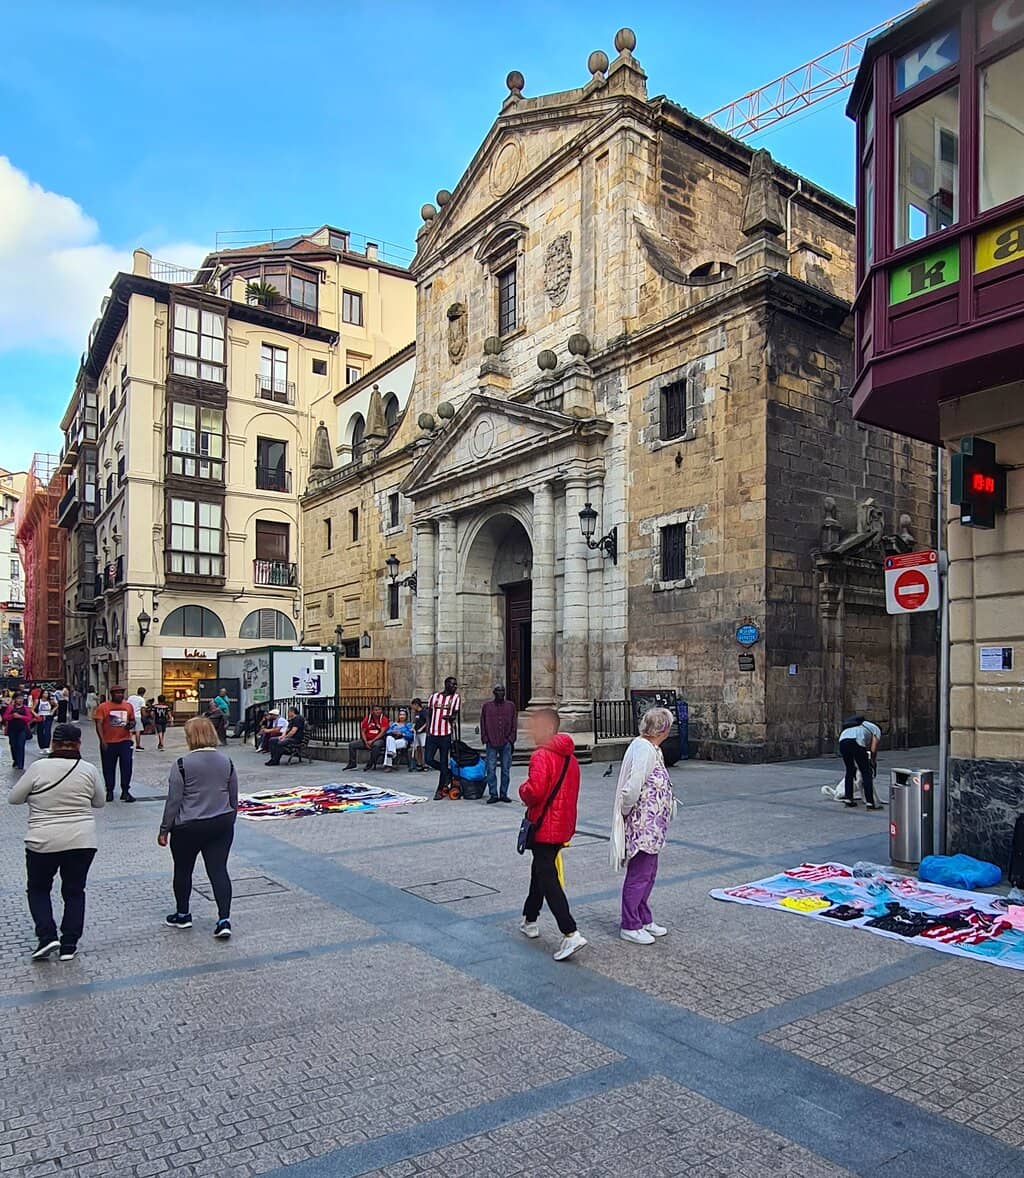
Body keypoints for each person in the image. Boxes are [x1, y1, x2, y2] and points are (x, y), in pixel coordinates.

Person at [8, 722, 105, 961]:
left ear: (53, 743)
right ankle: (69, 945)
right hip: (82, 840)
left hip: (43, 840)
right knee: (74, 891)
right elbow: (99, 802)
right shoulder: (88, 769)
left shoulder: (39, 767)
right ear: (79, 744)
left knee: (39, 889)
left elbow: (14, 798)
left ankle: (46, 935)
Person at [158, 716, 238, 938]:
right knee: (219, 870)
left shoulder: (182, 764)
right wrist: (230, 818)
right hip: (220, 823)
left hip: (188, 826)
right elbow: (233, 796)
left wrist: (164, 829)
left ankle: (183, 914)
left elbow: (174, 800)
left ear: (190, 737)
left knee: (183, 870)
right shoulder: (227, 761)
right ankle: (224, 919)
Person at [519, 708, 587, 962]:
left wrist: (522, 789)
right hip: (563, 824)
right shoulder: (570, 757)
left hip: (545, 824)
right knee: (541, 869)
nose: (530, 731)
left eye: (534, 726)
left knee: (548, 876)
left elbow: (534, 791)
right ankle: (530, 919)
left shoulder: (541, 755)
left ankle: (570, 932)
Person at [611, 707, 677, 945]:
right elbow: (632, 786)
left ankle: (643, 916)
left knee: (648, 873)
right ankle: (630, 923)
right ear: (663, 729)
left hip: (653, 826)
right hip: (643, 825)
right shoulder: (643, 749)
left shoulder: (651, 748)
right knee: (639, 874)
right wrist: (629, 814)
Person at [93, 685, 136, 803]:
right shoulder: (103, 707)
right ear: (112, 694)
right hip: (109, 742)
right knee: (108, 768)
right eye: (117, 693)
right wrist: (102, 740)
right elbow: (98, 724)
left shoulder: (128, 706)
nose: (120, 695)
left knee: (127, 766)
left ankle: (125, 791)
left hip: (125, 741)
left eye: (122, 693)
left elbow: (132, 720)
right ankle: (110, 790)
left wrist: (131, 724)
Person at [481, 684, 517, 804]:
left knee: (505, 769)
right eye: (498, 691)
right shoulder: (487, 707)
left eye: (502, 691)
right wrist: (485, 738)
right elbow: (483, 722)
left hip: (505, 742)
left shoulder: (510, 706)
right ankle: (493, 794)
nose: (501, 693)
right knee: (490, 769)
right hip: (492, 741)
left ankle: (503, 793)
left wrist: (511, 739)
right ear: (494, 692)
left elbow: (514, 722)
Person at [426, 677, 461, 800]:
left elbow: (455, 714)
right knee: (428, 759)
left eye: (456, 685)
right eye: (453, 684)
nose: (455, 686)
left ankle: (440, 789)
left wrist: (450, 718)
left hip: (446, 734)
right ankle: (447, 772)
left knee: (444, 760)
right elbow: (429, 713)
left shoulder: (455, 698)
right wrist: (428, 729)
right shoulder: (435, 697)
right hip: (433, 733)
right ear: (446, 684)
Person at [838, 714, 883, 810]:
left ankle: (849, 799)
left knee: (850, 770)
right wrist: (873, 762)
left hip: (842, 741)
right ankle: (870, 802)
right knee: (866, 772)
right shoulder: (876, 730)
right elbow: (873, 749)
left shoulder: (857, 725)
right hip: (856, 741)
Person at [344, 705, 389, 770]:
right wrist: (366, 742)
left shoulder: (384, 719)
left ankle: (370, 763)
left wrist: (372, 741)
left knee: (376, 745)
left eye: (379, 710)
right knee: (352, 744)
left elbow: (382, 732)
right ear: (372, 711)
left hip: (378, 739)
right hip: (366, 740)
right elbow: (363, 731)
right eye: (376, 710)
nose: (378, 711)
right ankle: (352, 763)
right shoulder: (368, 718)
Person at [4, 692, 37, 770]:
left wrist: (20, 716)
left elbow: (29, 718)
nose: (20, 700)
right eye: (18, 698)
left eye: (21, 698)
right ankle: (15, 759)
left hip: (22, 729)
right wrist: (12, 716)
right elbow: (5, 717)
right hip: (12, 730)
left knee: (20, 745)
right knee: (13, 745)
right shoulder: (10, 708)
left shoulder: (25, 708)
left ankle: (20, 764)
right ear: (15, 699)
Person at [411, 698, 429, 770]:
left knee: (423, 747)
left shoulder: (423, 712)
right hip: (417, 732)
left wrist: (422, 728)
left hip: (423, 732)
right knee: (418, 748)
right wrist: (413, 727)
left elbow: (427, 722)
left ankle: (425, 763)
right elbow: (415, 721)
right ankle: (419, 762)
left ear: (416, 704)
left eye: (413, 705)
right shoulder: (416, 713)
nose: (412, 707)